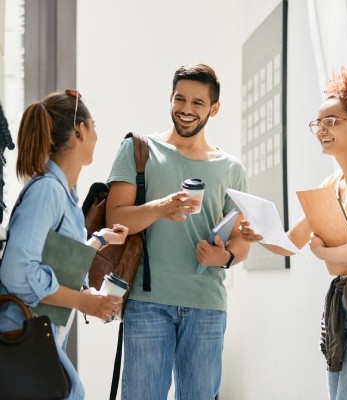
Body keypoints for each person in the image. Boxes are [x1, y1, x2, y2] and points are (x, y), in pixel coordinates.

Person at [240, 67, 347, 399]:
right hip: (343, 305)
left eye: (332, 121)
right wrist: (258, 231)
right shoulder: (331, 184)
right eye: (318, 123)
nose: (322, 130)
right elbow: (290, 242)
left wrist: (322, 252)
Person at [106, 63, 250, 399]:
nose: (186, 109)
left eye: (198, 103)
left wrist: (225, 256)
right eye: (180, 99)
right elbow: (116, 219)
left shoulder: (230, 168)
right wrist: (159, 207)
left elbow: (241, 238)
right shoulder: (139, 150)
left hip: (206, 305)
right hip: (147, 303)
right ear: (170, 99)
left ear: (214, 108)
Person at [0, 90, 129, 399]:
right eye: (93, 125)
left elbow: (52, 257)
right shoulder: (48, 192)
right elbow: (18, 272)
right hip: (20, 334)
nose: (97, 135)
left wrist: (97, 243)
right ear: (80, 131)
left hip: (36, 334)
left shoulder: (66, 196)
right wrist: (84, 302)